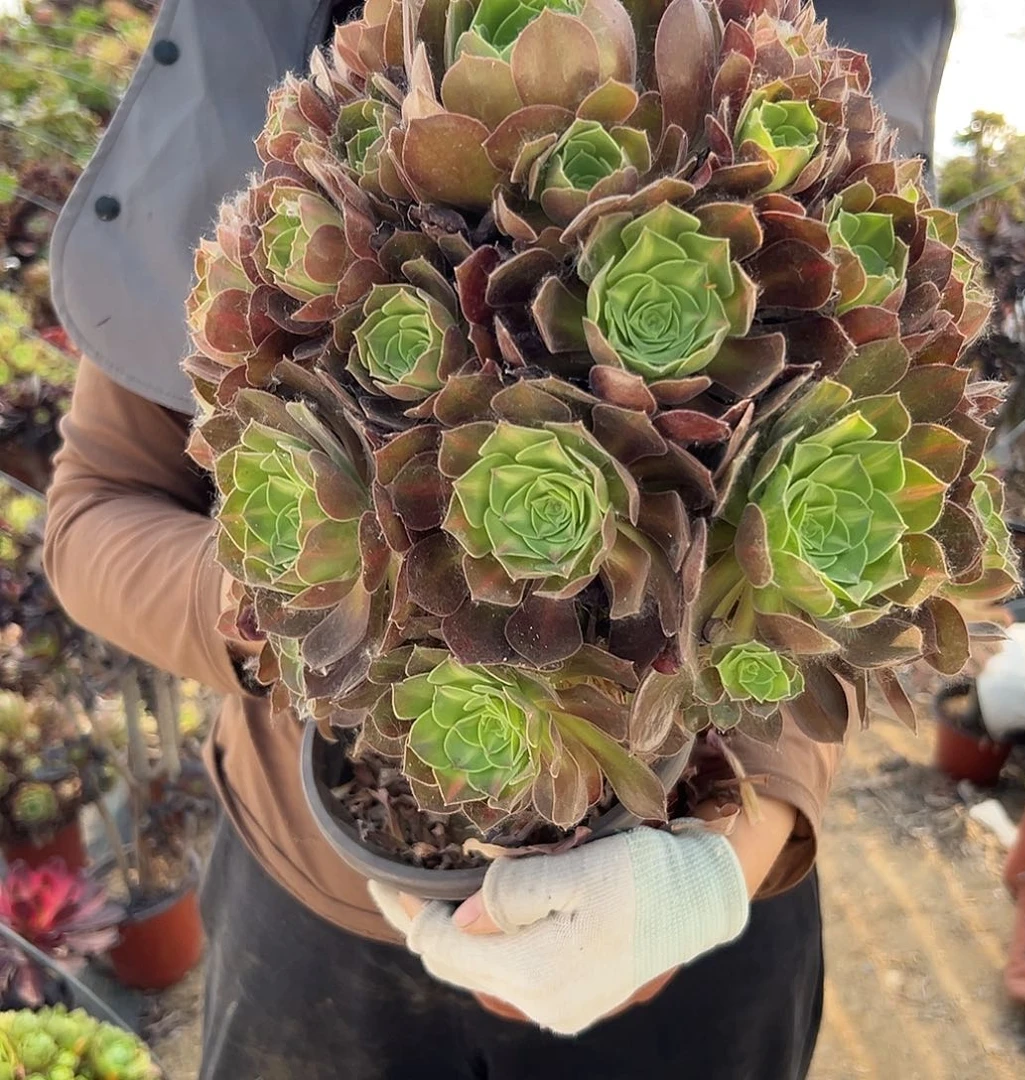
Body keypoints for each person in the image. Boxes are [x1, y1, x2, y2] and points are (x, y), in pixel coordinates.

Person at [42, 0, 958, 1076]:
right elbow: (95, 508)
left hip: (684, 924)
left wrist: (725, 862)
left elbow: (840, 553)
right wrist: (300, 610)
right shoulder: (276, 137)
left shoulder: (771, 125)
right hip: (317, 916)